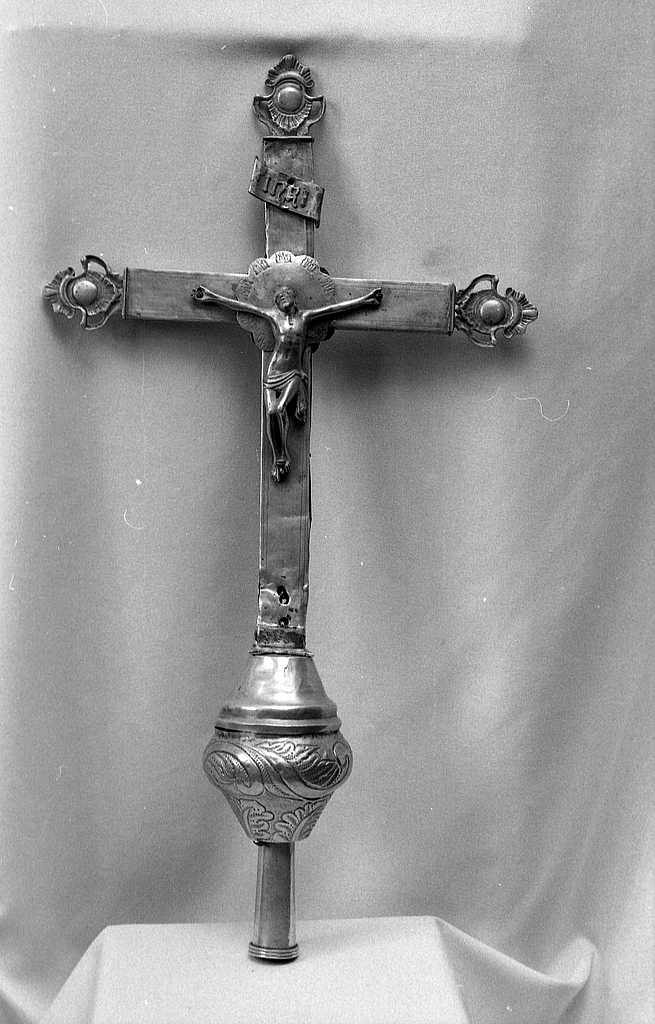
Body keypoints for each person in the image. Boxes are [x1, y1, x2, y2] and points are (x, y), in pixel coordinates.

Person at [192, 282, 383, 481]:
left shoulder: (305, 317)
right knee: (271, 412)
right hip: (274, 372)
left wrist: (366, 300)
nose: (282, 299)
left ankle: (282, 457)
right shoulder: (273, 317)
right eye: (278, 298)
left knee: (280, 408)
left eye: (285, 295)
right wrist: (211, 297)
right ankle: (280, 456)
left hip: (293, 373)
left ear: (293, 297)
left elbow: (335, 309)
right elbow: (244, 307)